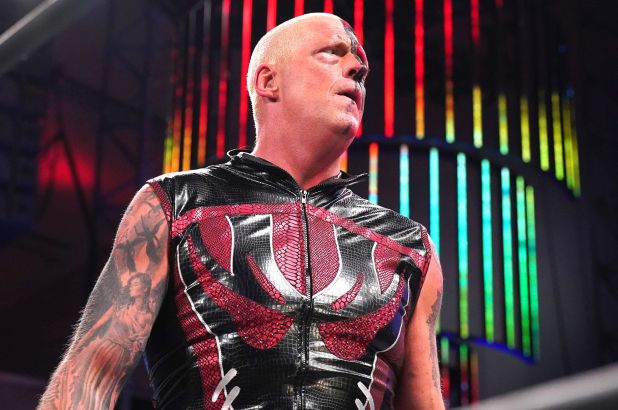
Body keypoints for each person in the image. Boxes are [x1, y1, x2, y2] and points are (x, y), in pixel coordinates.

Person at [38, 13, 444, 410]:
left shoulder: (409, 244)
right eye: (331, 53)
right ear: (268, 82)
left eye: (361, 65)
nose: (357, 67)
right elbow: (90, 376)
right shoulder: (174, 203)